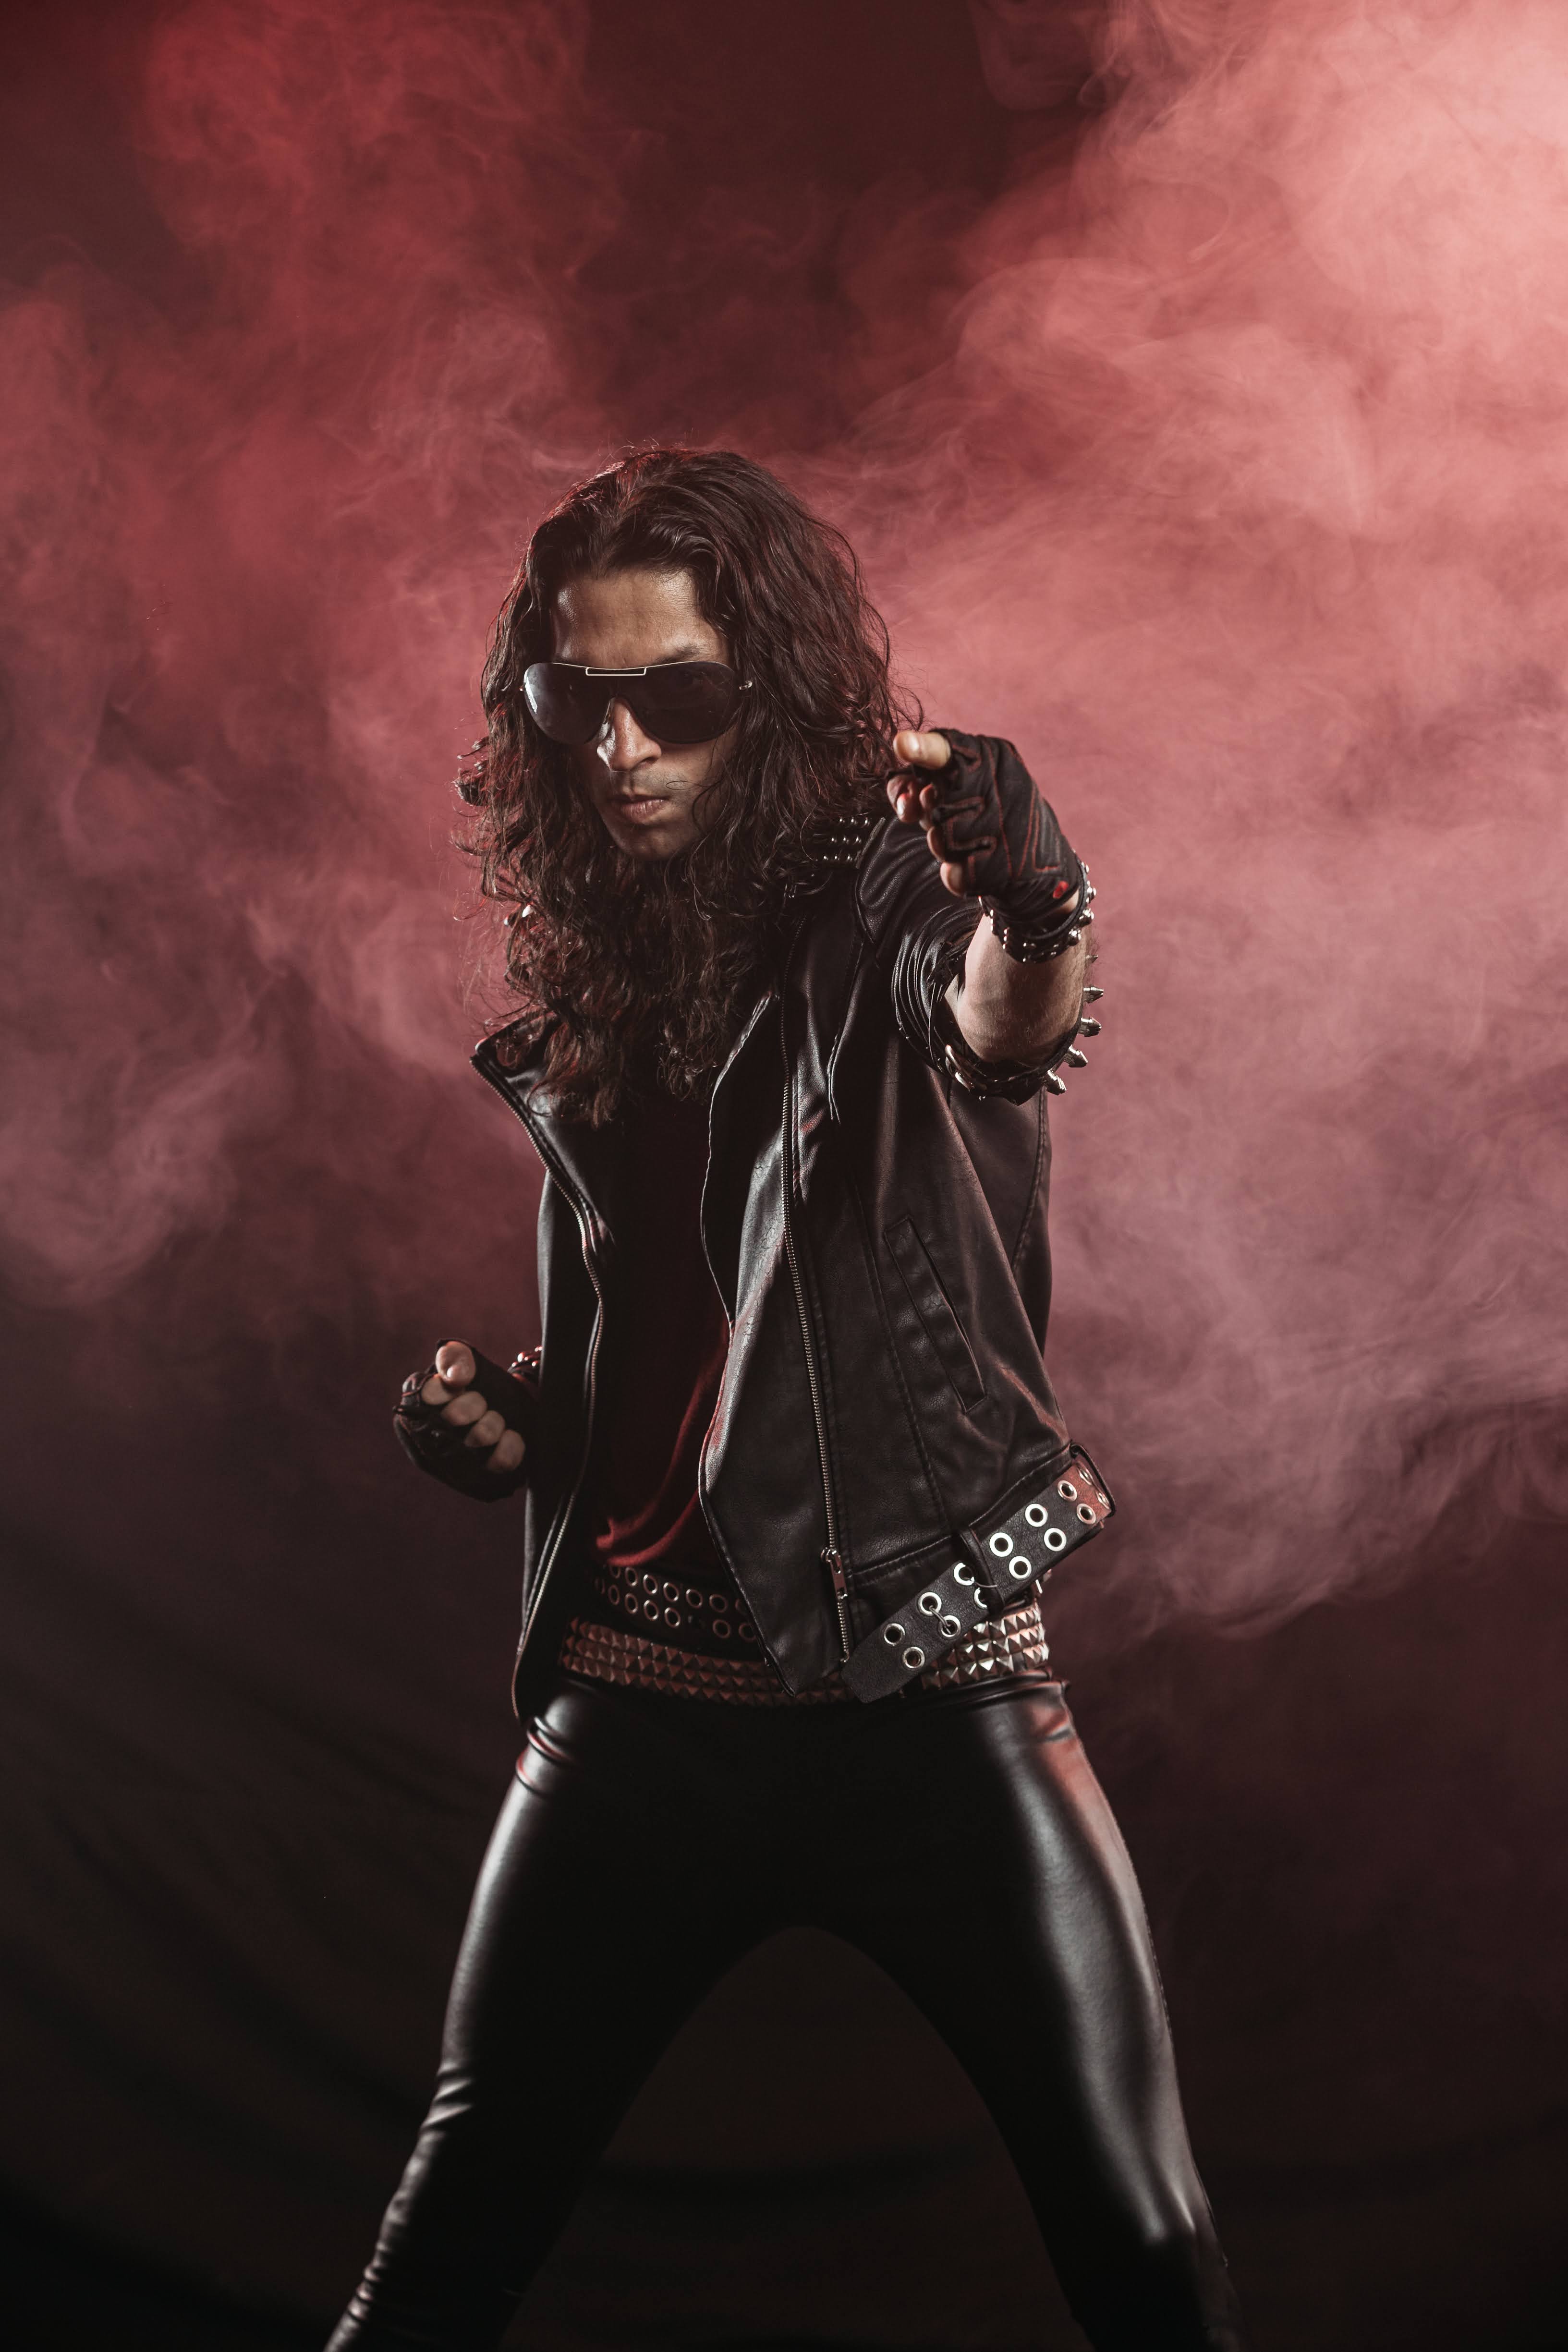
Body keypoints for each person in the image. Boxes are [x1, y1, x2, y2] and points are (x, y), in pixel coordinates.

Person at [328, 446, 1246, 2351]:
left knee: (1146, 2248)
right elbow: (688, 1335)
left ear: (776, 690)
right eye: (574, 699)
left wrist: (1034, 890)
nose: (621, 749)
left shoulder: (891, 896)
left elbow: (999, 1020)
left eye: (676, 698)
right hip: (641, 1704)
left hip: (923, 1684)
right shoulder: (619, 948)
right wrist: (526, 1426)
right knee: (448, 2231)